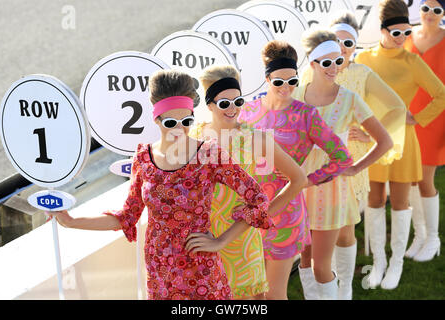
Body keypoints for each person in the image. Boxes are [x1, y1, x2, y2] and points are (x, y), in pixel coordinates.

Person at [47, 69, 275, 300]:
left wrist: (220, 241)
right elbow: (126, 217)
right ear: (156, 118)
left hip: (201, 275)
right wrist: (70, 221)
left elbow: (258, 200)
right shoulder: (143, 159)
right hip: (160, 275)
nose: (179, 128)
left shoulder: (210, 154)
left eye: (186, 120)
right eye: (170, 121)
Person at [298, 11, 406, 299]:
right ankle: (325, 287)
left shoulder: (359, 77)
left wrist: (367, 138)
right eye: (337, 42)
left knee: (344, 231)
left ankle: (344, 285)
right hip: (309, 174)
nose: (341, 51)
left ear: (354, 47)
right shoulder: (307, 79)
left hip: (349, 162)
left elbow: (396, 109)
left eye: (348, 45)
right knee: (310, 241)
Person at [238, 40, 354, 300]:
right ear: (267, 79)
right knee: (254, 292)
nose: (286, 88)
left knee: (274, 292)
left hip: (286, 214)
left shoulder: (307, 115)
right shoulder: (246, 112)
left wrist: (306, 181)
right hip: (250, 213)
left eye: (293, 82)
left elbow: (342, 158)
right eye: (279, 82)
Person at [189, 64, 307, 299]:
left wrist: (261, 215)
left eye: (238, 101)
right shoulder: (194, 139)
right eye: (224, 103)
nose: (233, 109)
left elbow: (298, 179)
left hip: (242, 241)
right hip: (205, 239)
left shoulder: (256, 139)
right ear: (210, 104)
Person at [355, 0, 445, 290]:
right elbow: (354, 99)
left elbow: (441, 94)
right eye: (396, 33)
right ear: (382, 30)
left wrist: (417, 119)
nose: (403, 39)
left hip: (404, 143)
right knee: (374, 200)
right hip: (372, 141)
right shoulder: (364, 60)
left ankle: (397, 263)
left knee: (401, 202)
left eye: (407, 33)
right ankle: (379, 261)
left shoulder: (412, 62)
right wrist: (358, 130)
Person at [403, 0, 444, 262]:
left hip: (436, 117)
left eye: (437, 10)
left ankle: (433, 238)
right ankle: (419, 235)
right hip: (406, 118)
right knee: (409, 181)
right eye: (425, 8)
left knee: (425, 179)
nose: (429, 14)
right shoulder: (407, 36)